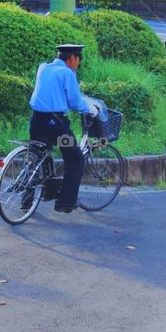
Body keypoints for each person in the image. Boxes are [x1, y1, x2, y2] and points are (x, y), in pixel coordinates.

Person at [29, 43, 99, 214]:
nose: (78, 63)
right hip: (56, 126)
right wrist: (90, 109)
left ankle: (26, 201)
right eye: (78, 59)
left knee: (35, 159)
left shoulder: (43, 68)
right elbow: (75, 102)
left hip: (36, 122)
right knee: (75, 158)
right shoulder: (67, 73)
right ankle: (66, 203)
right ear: (72, 58)